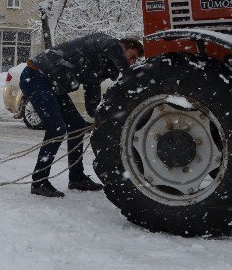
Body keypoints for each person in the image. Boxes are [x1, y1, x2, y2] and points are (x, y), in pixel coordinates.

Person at [20, 34, 144, 198]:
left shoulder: (100, 63)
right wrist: (131, 76)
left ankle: (77, 178)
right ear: (123, 47)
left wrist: (100, 115)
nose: (132, 62)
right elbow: (111, 48)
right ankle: (39, 181)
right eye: (132, 56)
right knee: (56, 129)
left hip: (53, 85)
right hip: (36, 76)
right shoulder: (107, 43)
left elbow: (92, 94)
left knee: (77, 126)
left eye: (135, 60)